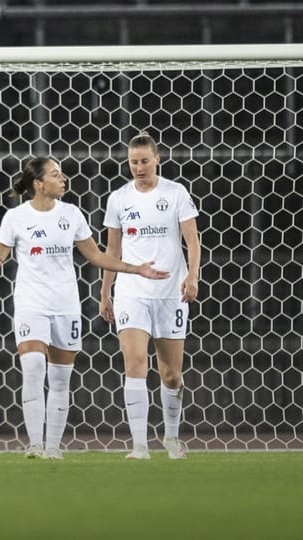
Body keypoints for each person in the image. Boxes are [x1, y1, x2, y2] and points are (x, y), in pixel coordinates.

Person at [0, 157, 168, 460]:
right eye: (56, 175)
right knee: (33, 367)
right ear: (38, 183)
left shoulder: (71, 214)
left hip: (66, 306)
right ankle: (34, 443)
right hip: (31, 304)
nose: (64, 179)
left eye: (62, 174)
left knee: (60, 379)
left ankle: (53, 448)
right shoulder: (16, 217)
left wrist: (134, 268)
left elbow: (96, 256)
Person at [98, 131, 201, 460]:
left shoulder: (176, 193)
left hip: (171, 292)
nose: (139, 167)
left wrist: (193, 277)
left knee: (171, 373)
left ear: (157, 159)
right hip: (132, 292)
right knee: (135, 363)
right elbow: (112, 250)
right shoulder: (119, 198)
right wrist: (105, 292)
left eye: (144, 161)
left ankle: (171, 439)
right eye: (133, 162)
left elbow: (193, 242)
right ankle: (139, 445)